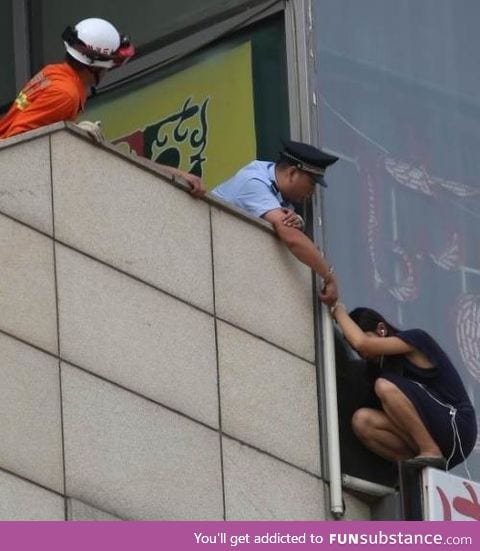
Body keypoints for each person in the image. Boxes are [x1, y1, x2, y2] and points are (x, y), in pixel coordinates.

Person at [0, 17, 204, 197]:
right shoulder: (65, 94)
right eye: (112, 63)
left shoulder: (57, 73)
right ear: (95, 65)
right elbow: (18, 146)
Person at [327, 302, 477, 470]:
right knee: (362, 421)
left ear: (381, 330)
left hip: (458, 425)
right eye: (354, 349)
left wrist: (337, 309)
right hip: (434, 437)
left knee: (384, 386)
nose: (360, 353)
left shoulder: (415, 340)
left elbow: (362, 343)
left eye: (366, 337)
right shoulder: (375, 372)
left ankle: (430, 451)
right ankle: (416, 471)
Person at [211, 141, 339, 302]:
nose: (312, 193)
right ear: (292, 173)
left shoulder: (277, 186)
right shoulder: (254, 182)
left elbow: (292, 228)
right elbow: (292, 238)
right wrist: (328, 276)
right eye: (312, 184)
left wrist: (298, 222)